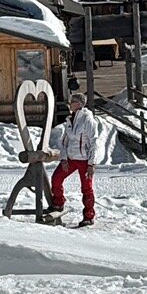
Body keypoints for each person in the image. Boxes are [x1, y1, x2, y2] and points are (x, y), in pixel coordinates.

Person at [50, 91, 97, 227]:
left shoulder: (88, 120)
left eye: (72, 102)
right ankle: (58, 203)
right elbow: (64, 141)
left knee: (86, 188)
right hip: (71, 158)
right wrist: (64, 159)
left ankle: (88, 216)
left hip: (84, 160)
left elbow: (94, 142)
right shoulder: (70, 120)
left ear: (80, 104)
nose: (69, 105)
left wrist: (91, 164)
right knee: (56, 178)